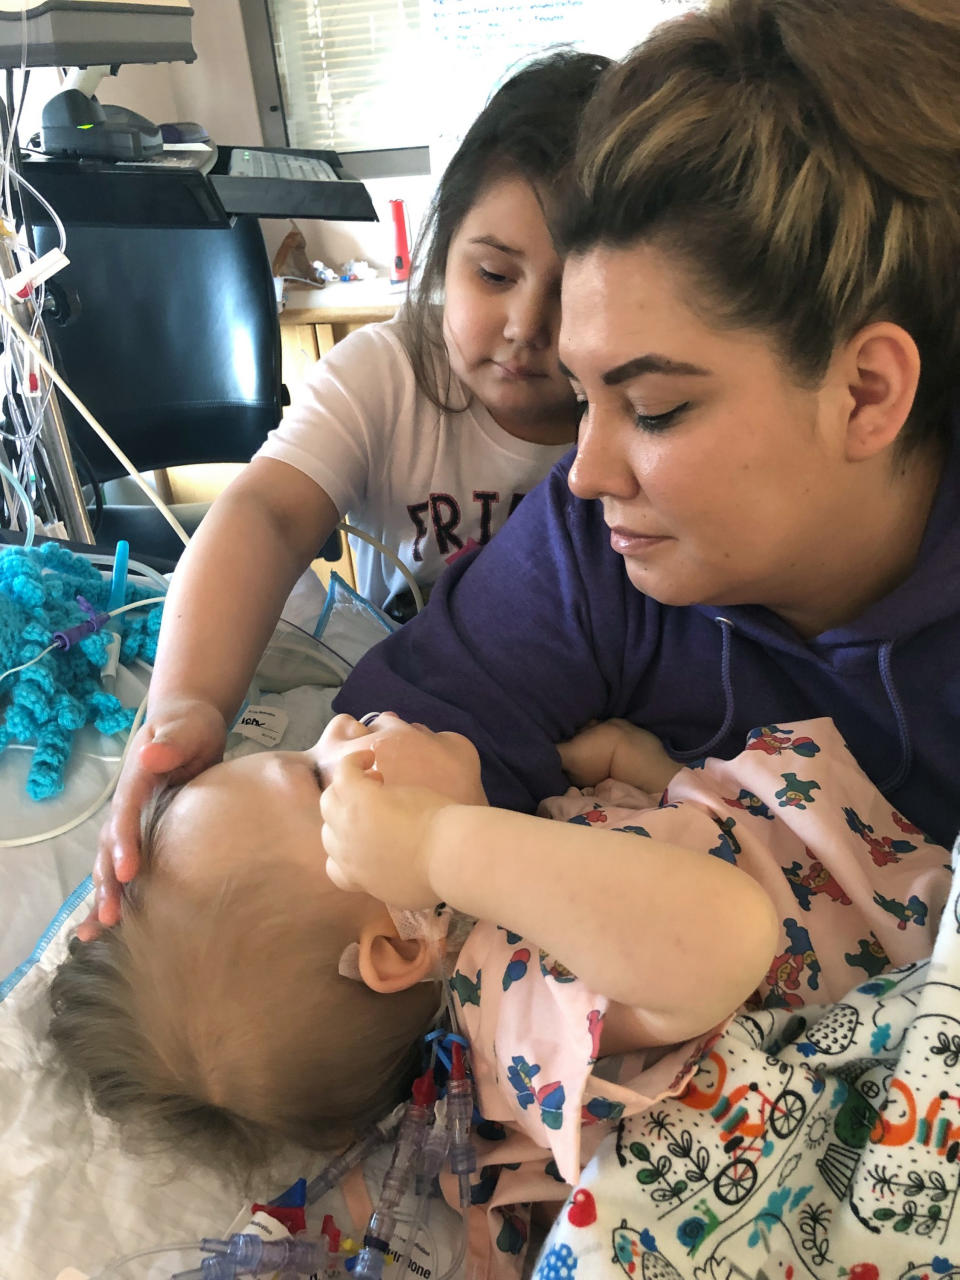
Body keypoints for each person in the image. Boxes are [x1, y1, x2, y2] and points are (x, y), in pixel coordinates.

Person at [52, 711, 948, 1276]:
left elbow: (645, 869)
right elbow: (728, 939)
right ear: (400, 946)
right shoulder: (512, 1000)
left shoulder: (497, 906)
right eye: (319, 778)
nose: (337, 726)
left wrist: (645, 775)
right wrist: (441, 843)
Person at [82, 49, 609, 937]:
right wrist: (185, 706)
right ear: (442, 253)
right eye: (493, 274)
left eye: (573, 293)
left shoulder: (628, 420)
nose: (525, 327)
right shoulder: (388, 373)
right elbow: (265, 512)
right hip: (412, 716)